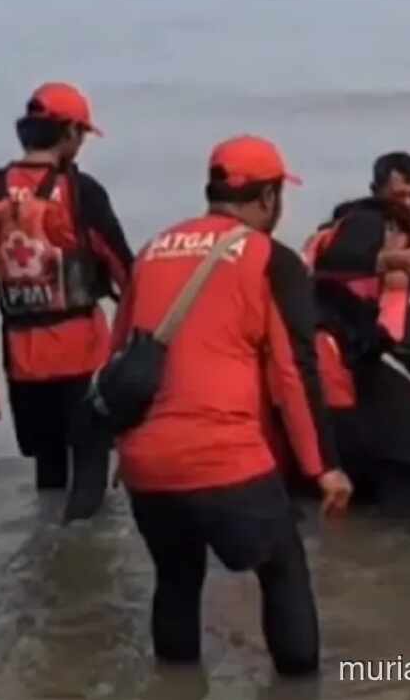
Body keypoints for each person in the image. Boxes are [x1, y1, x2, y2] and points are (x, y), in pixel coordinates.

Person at [113, 135, 353, 673]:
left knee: (176, 580)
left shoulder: (152, 250)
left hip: (146, 464)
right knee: (283, 568)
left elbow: (119, 359)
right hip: (223, 455)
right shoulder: (273, 260)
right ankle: (297, 687)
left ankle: (174, 684)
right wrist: (325, 468)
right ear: (268, 198)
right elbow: (295, 373)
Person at [0, 82, 132, 516]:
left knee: (49, 473)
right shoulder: (81, 191)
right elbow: (126, 272)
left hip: (22, 362)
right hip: (83, 356)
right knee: (91, 468)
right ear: (70, 132)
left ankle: (45, 565)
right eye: (83, 135)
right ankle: (82, 568)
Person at [302, 155, 410, 511]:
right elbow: (335, 265)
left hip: (359, 341)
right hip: (332, 345)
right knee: (352, 455)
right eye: (398, 195)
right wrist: (395, 261)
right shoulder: (365, 221)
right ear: (376, 192)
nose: (406, 204)